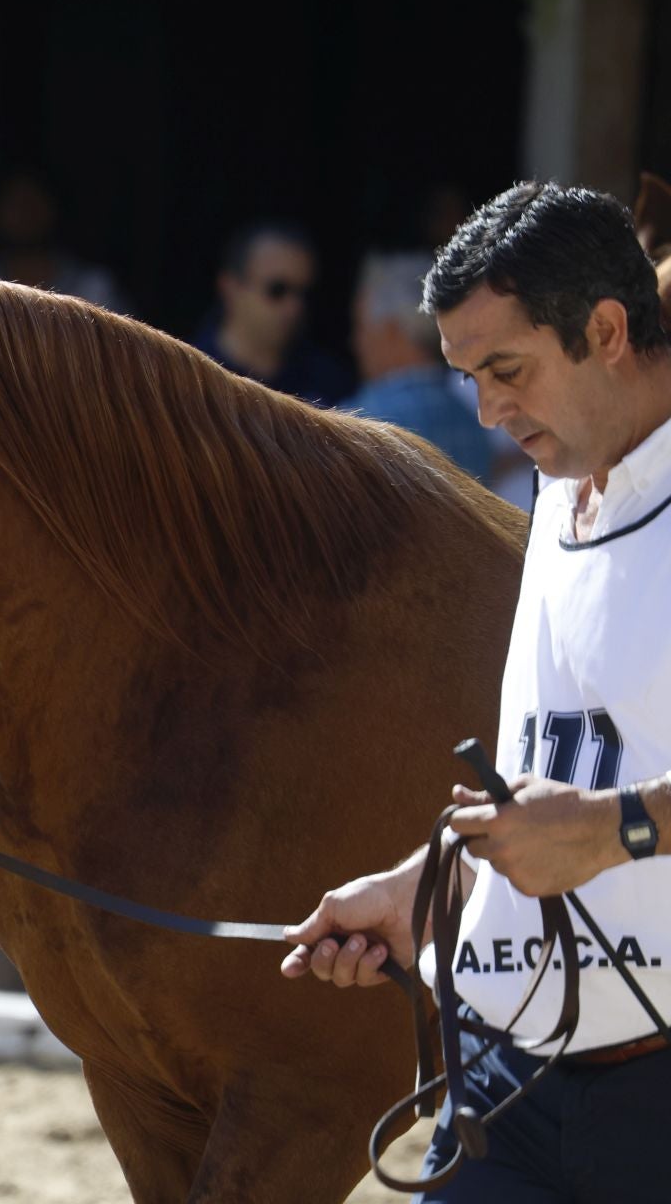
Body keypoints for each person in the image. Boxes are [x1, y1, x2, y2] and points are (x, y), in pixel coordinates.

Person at [283, 182, 671, 1202]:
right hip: (505, 1081)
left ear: (608, 330)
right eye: (470, 377)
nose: (490, 411)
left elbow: (596, 813)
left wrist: (618, 828)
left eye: (508, 371)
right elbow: (557, 773)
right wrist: (424, 887)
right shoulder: (556, 481)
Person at [341, 251, 495, 481]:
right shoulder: (473, 421)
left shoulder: (359, 419)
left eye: (360, 326)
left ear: (391, 330)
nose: (354, 341)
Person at [192, 221, 354, 406]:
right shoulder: (191, 374)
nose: (294, 308)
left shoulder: (329, 382)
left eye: (304, 293)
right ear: (230, 287)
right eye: (277, 290)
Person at [0, 170, 126, 313]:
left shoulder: (93, 288)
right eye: (15, 204)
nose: (25, 214)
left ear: (52, 207)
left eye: (32, 203)